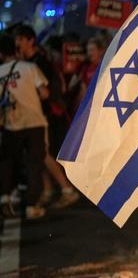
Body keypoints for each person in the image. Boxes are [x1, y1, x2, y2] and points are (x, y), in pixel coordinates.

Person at [14, 25, 80, 209]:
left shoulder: (40, 62)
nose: (17, 43)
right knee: (35, 155)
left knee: (43, 154)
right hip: (34, 115)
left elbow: (46, 91)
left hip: (45, 114)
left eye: (20, 39)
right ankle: (48, 190)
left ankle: (67, 190)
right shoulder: (27, 62)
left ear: (30, 41)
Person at [0, 34, 50, 219]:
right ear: (16, 49)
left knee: (7, 162)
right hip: (34, 122)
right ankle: (31, 206)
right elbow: (44, 93)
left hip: (11, 124)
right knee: (34, 164)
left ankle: (5, 197)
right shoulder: (29, 68)